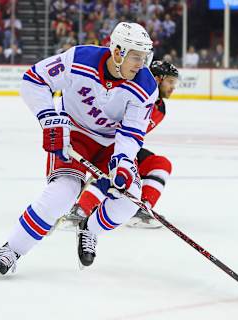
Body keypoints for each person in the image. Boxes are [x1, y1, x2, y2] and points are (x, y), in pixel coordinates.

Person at [0, 22, 158, 277]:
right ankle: (12, 249)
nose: (140, 64)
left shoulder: (146, 86)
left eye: (144, 57)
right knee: (62, 193)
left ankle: (89, 229)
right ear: (118, 52)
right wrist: (49, 119)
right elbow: (34, 79)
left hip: (112, 144)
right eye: (136, 56)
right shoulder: (80, 59)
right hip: (75, 134)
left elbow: (132, 132)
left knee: (127, 201)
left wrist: (122, 163)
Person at [59, 60, 179, 229]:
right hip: (98, 143)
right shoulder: (129, 92)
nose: (173, 87)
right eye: (171, 82)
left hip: (124, 148)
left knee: (160, 164)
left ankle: (141, 209)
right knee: (110, 169)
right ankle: (80, 210)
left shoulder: (160, 108)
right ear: (158, 79)